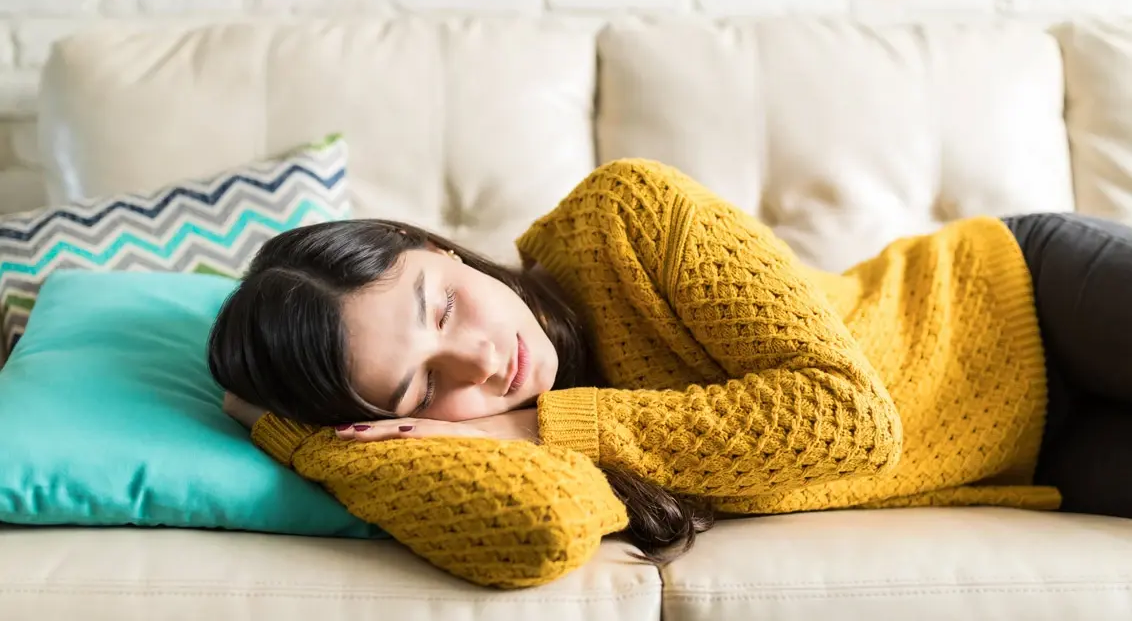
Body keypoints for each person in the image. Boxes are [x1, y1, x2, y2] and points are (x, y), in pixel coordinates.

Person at [208, 159, 1132, 590]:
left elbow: (854, 420)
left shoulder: (623, 219)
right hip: (1032, 458)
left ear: (437, 247)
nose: (483, 364)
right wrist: (309, 440)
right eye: (420, 389)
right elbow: (538, 532)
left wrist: (539, 425)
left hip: (1019, 299)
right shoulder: (514, 450)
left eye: (443, 308)